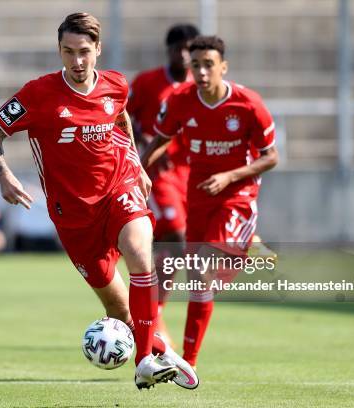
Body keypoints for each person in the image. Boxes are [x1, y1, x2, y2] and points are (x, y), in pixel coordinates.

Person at [0, 13, 198, 390]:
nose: (77, 61)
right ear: (59, 51)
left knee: (140, 253)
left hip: (119, 189)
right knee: (118, 310)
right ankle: (160, 349)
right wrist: (4, 176)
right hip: (73, 216)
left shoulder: (116, 84)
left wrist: (137, 163)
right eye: (68, 52)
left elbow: (122, 119)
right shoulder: (37, 93)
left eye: (84, 51)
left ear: (98, 49)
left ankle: (145, 360)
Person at [142, 35, 279, 368]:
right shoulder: (180, 100)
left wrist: (231, 176)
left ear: (223, 67)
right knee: (199, 278)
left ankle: (188, 360)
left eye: (209, 65)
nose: (202, 72)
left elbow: (271, 156)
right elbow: (160, 139)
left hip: (237, 194)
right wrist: (140, 172)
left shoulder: (248, 104)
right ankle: (188, 362)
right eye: (196, 65)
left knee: (201, 268)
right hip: (198, 194)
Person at [127, 23, 199, 346]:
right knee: (176, 238)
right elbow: (122, 118)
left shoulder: (200, 85)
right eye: (177, 48)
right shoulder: (147, 83)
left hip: (191, 174)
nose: (183, 54)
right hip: (157, 172)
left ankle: (148, 311)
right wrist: (144, 142)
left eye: (189, 48)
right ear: (168, 50)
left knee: (180, 246)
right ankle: (150, 315)